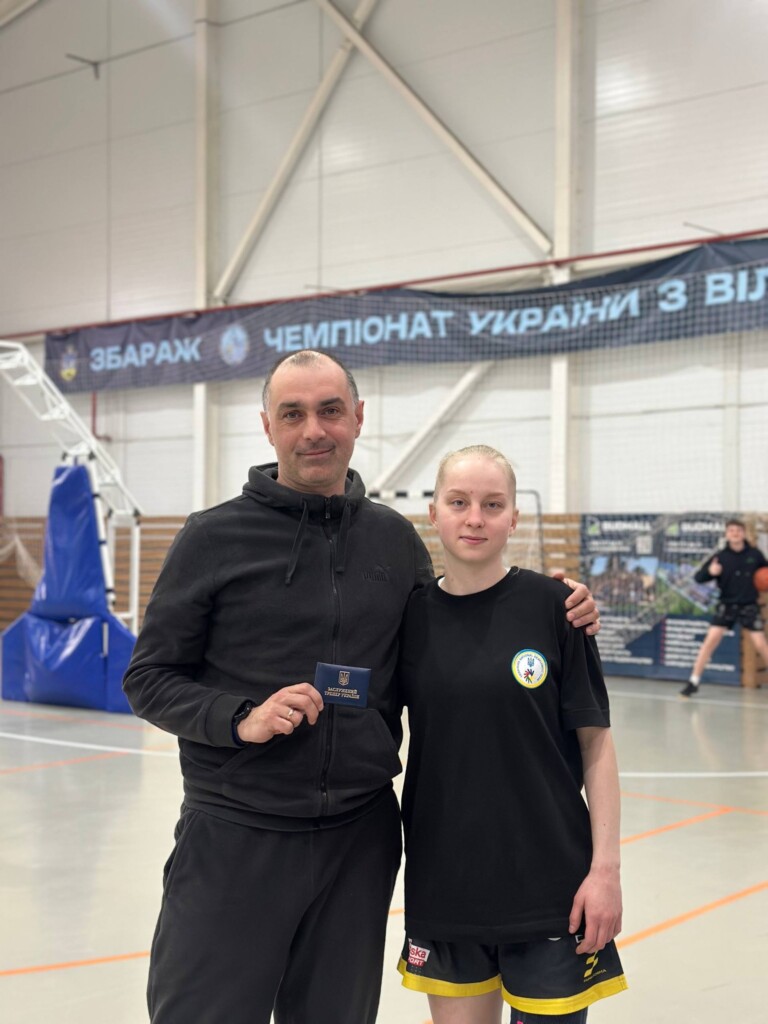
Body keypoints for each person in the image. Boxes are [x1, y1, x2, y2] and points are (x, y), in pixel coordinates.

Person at [122, 352, 601, 1024]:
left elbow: (454, 627)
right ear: (268, 426)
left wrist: (554, 606)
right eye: (293, 414)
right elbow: (147, 677)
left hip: (358, 841)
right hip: (236, 831)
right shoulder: (212, 537)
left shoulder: (393, 540)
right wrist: (239, 717)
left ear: (357, 418)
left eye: (330, 411)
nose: (313, 429)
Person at [396, 445, 627, 1024]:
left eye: (492, 504)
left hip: (552, 889)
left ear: (515, 517)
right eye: (459, 502)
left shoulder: (559, 608)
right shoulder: (407, 618)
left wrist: (605, 871)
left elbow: (596, 744)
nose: (475, 518)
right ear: (433, 512)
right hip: (444, 884)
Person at [680, 518, 768, 697]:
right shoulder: (720, 556)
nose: (735, 534)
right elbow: (698, 578)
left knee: (760, 643)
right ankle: (693, 681)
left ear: (744, 533)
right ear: (727, 534)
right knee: (710, 641)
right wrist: (710, 572)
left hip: (749, 605)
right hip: (727, 604)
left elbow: (765, 574)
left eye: (738, 530)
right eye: (731, 531)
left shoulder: (755, 554)